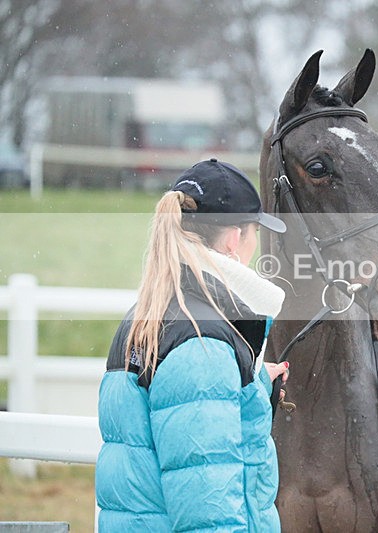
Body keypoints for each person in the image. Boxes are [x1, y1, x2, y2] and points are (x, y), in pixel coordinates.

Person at [95, 159, 289, 531]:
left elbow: (169, 433)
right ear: (234, 239)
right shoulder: (203, 343)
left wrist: (250, 387)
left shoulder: (149, 316)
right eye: (253, 234)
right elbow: (208, 505)